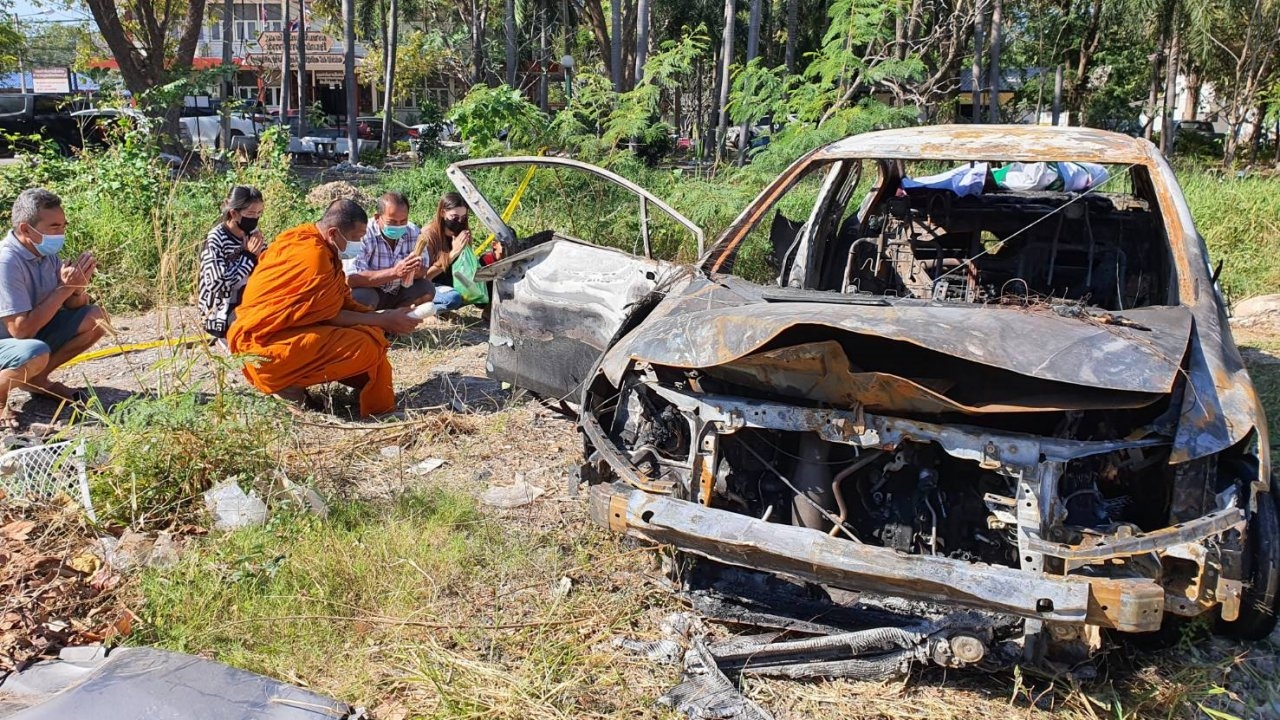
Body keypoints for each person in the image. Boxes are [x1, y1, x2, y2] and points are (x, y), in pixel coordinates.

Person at [227, 198, 422, 417]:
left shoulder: (305, 237)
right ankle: (287, 385)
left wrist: (382, 317)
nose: (359, 243)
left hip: (279, 333)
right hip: (264, 347)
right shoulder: (313, 256)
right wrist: (383, 319)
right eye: (357, 238)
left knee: (370, 333)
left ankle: (366, 396)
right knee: (365, 345)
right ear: (333, 234)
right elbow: (329, 315)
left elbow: (336, 301)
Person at [0, 188, 106, 422]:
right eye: (54, 227)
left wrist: (77, 288)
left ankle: (38, 380)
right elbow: (20, 330)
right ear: (26, 229)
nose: (61, 233)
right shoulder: (6, 261)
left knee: (97, 318)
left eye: (63, 226)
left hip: (32, 337)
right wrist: (64, 288)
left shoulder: (44, 253)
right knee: (35, 352)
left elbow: (75, 307)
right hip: (11, 342)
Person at [344, 191, 435, 310]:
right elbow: (351, 279)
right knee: (361, 297)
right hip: (372, 291)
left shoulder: (413, 232)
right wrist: (395, 272)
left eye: (403, 221)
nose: (398, 226)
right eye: (391, 222)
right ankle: (373, 323)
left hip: (398, 293)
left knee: (426, 289)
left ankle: (397, 319)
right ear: (377, 218)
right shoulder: (362, 235)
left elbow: (424, 269)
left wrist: (415, 271)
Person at [197, 185, 266, 340]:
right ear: (234, 213)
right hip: (220, 310)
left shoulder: (252, 234)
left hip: (248, 299)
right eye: (250, 214)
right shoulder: (216, 239)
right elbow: (216, 282)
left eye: (259, 214)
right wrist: (248, 257)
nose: (255, 219)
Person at [413, 192, 474, 312]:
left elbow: (466, 267)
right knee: (453, 298)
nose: (459, 222)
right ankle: (426, 311)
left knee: (483, 287)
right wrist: (452, 254)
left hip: (453, 281)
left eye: (463, 218)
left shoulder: (463, 233)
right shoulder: (428, 235)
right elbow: (424, 277)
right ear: (442, 212)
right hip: (429, 286)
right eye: (455, 217)